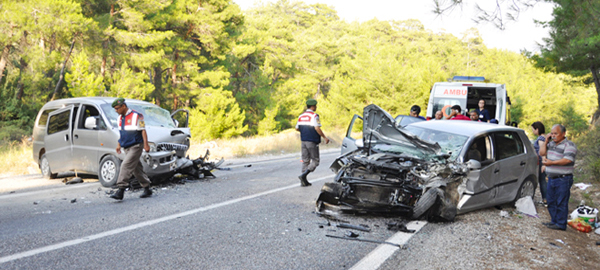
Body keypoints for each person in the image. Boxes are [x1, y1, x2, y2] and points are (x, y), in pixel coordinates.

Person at [110, 98, 153, 200]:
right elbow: (122, 133)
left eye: (117, 108)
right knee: (136, 169)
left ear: (123, 106)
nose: (116, 111)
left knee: (126, 165)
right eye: (115, 109)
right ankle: (147, 187)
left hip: (136, 145)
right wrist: (118, 144)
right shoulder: (119, 118)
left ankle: (121, 189)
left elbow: (143, 130)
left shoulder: (137, 115)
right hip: (126, 146)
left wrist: (146, 145)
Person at [539, 124, 577, 231]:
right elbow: (541, 152)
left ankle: (560, 223)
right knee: (550, 200)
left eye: (556, 133)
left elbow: (567, 160)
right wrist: (546, 141)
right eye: (552, 133)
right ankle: (554, 221)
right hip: (552, 177)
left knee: (561, 201)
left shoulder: (569, 145)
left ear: (563, 134)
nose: (553, 135)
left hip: (563, 178)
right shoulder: (551, 144)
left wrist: (552, 163)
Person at [295, 99, 330, 186]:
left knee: (305, 160)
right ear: (313, 106)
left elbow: (297, 128)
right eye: (315, 106)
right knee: (315, 161)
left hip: (303, 141)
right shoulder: (314, 116)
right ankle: (304, 175)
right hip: (312, 141)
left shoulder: (301, 116)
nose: (316, 107)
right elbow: (317, 128)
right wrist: (325, 137)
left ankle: (303, 181)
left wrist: (304, 132)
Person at [531, 121, 548, 207]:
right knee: (543, 180)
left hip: (542, 161)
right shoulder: (545, 137)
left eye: (533, 130)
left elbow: (542, 151)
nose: (533, 132)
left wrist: (544, 163)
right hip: (544, 161)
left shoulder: (541, 139)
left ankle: (545, 199)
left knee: (542, 180)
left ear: (537, 129)